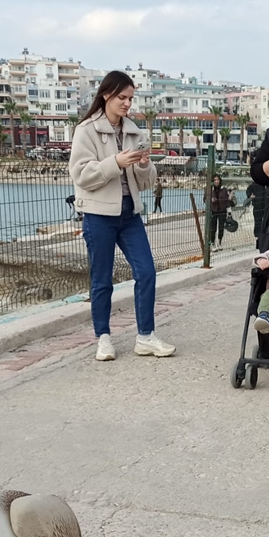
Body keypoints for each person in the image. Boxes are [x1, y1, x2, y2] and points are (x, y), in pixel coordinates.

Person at [70, 69, 175, 361]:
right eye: (122, 97)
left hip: (130, 215)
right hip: (98, 216)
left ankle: (145, 337)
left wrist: (142, 164)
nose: (128, 103)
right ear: (106, 94)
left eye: (131, 98)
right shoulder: (86, 130)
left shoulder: (134, 132)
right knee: (102, 279)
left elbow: (146, 181)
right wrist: (115, 162)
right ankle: (103, 338)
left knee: (147, 272)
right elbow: (81, 175)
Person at [208, 174, 232, 248]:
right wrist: (210, 200)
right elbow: (205, 199)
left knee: (221, 227)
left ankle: (219, 242)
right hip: (213, 210)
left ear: (220, 180)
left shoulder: (224, 189)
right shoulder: (209, 189)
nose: (216, 181)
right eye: (215, 180)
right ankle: (212, 243)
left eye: (217, 180)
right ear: (212, 181)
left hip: (222, 210)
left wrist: (229, 212)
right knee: (213, 228)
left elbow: (227, 201)